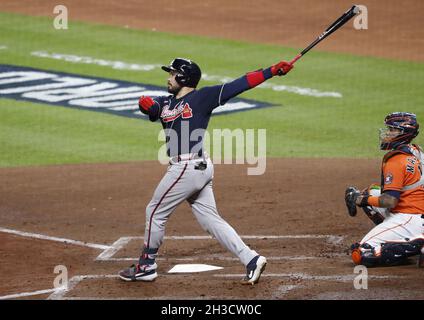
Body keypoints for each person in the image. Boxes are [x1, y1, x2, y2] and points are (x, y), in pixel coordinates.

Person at [118, 57, 294, 284]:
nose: (168, 78)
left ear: (183, 77)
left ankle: (146, 265)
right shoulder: (167, 103)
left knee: (155, 211)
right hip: (198, 168)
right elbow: (154, 109)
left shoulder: (203, 97)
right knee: (211, 220)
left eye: (172, 74)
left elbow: (239, 84)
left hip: (187, 167)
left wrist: (271, 71)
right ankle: (251, 259)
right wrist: (146, 105)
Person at [345, 112, 424, 267]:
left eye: (392, 130)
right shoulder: (416, 151)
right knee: (369, 192)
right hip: (417, 211)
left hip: (410, 217)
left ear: (403, 133)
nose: (387, 133)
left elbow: (390, 201)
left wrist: (360, 199)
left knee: (362, 254)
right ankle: (396, 234)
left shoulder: (396, 160)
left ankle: (416, 244)